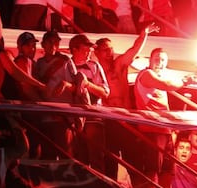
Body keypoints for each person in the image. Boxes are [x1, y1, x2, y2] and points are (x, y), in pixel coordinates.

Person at [133, 47, 193, 188]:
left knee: (167, 169)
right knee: (152, 168)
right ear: (150, 60)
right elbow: (167, 85)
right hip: (151, 128)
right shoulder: (146, 74)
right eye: (158, 59)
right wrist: (184, 81)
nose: (160, 63)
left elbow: (168, 83)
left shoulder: (161, 76)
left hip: (165, 129)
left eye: (164, 60)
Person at [34, 31, 90, 160]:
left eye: (56, 43)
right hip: (45, 117)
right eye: (50, 42)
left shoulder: (65, 61)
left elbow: (77, 87)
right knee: (47, 158)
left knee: (67, 157)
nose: (54, 45)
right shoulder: (39, 63)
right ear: (43, 44)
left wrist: (65, 84)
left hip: (63, 118)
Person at [69, 33, 111, 177]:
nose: (89, 52)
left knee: (97, 159)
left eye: (90, 49)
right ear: (74, 50)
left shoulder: (94, 66)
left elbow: (105, 92)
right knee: (78, 160)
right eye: (85, 49)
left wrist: (87, 85)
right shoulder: (65, 66)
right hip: (73, 119)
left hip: (94, 117)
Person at [94, 23, 159, 109]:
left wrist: (144, 34)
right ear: (97, 52)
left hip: (124, 112)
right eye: (106, 50)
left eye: (111, 49)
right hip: (107, 115)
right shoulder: (94, 70)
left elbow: (134, 49)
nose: (109, 52)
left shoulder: (118, 64)